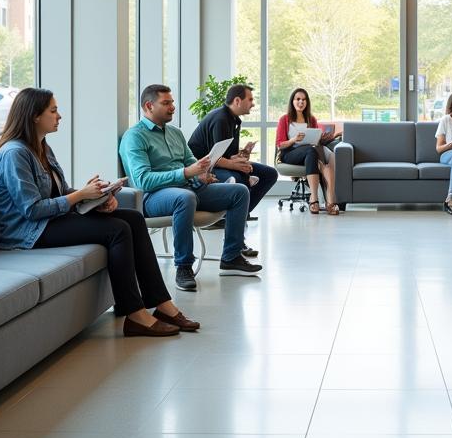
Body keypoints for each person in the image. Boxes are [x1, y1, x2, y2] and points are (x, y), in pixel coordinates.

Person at [0, 87, 199, 338]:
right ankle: (135, 314)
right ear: (34, 116)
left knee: (133, 217)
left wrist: (97, 198)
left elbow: (60, 191)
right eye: (53, 111)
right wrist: (80, 196)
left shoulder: (41, 147)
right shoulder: (15, 154)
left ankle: (162, 304)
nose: (59, 116)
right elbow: (31, 210)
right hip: (26, 232)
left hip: (48, 221)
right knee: (117, 230)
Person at [120, 84, 261, 293]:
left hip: (189, 188)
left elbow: (191, 161)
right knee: (184, 197)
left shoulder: (175, 133)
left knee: (239, 191)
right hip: (154, 197)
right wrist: (187, 173)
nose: (172, 107)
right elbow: (142, 181)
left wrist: (202, 174)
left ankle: (231, 258)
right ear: (149, 106)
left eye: (172, 102)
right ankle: (183, 266)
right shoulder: (135, 137)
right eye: (166, 103)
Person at [188, 83, 279, 240]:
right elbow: (213, 158)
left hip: (219, 162)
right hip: (203, 168)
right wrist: (238, 166)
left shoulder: (234, 119)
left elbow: (228, 155)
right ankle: (236, 226)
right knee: (239, 179)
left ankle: (236, 216)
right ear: (237, 100)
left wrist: (243, 156)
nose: (253, 103)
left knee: (269, 174)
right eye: (250, 99)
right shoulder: (220, 119)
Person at [275, 87, 342, 215]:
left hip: (310, 153)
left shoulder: (311, 119)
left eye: (304, 100)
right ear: (292, 101)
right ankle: (316, 199)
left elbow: (315, 140)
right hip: (290, 153)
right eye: (298, 99)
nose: (301, 102)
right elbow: (280, 145)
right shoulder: (285, 119)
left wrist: (327, 137)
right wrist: (294, 139)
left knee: (331, 155)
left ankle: (330, 199)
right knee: (312, 152)